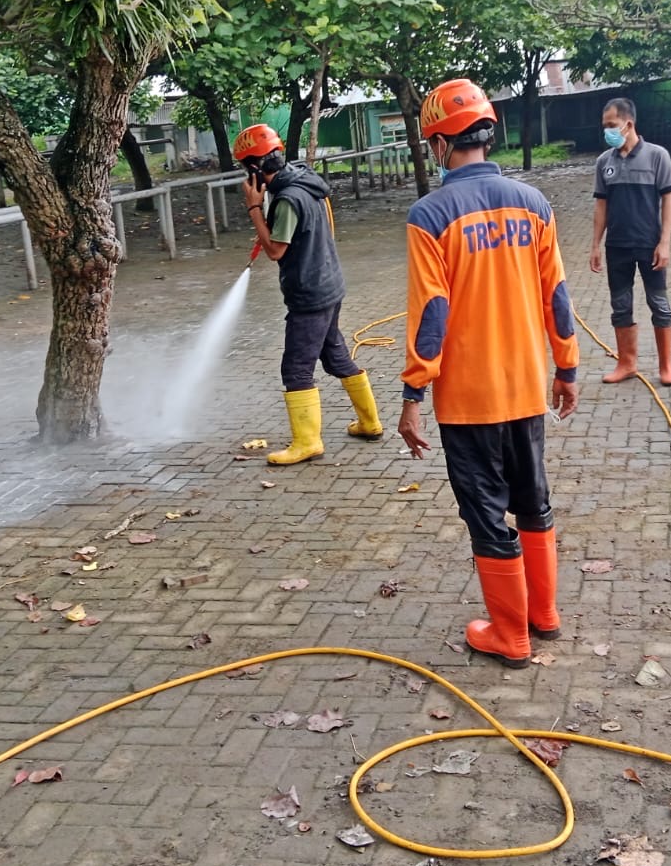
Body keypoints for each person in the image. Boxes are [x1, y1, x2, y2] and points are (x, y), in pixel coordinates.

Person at [398, 78, 580, 668]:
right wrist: (568, 368)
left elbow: (433, 313)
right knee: (532, 499)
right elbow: (557, 295)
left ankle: (511, 635)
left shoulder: (430, 214)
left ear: (439, 143)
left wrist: (412, 392)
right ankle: (543, 614)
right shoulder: (534, 204)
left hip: (468, 398)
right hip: (528, 386)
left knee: (485, 512)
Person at [236, 123, 382, 465]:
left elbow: (275, 251)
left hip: (310, 295)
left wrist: (254, 208)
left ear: (255, 168)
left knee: (296, 370)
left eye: (245, 168)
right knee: (335, 357)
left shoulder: (286, 198)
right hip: (330, 285)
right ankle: (370, 422)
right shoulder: (303, 178)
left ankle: (307, 442)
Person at [590, 97, 671, 386]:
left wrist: (664, 242)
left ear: (628, 124)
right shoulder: (604, 162)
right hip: (617, 246)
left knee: (659, 304)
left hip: (649, 244)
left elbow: (668, 200)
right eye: (605, 127)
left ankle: (666, 367)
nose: (608, 132)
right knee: (621, 305)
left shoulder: (657, 156)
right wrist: (595, 245)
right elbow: (601, 206)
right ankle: (626, 363)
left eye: (612, 125)